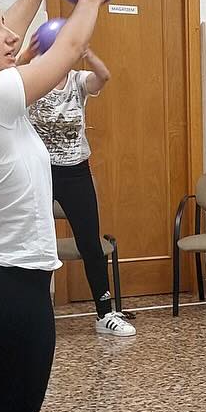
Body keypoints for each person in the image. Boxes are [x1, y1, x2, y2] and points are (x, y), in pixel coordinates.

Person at [0, 0, 117, 412]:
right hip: (8, 290)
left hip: (8, 282)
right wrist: (87, 2)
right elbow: (64, 52)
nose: (5, 31)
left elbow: (14, 33)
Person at [22, 41, 134, 335]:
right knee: (34, 244)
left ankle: (104, 314)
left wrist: (87, 53)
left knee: (90, 245)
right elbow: (7, 80)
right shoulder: (33, 78)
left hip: (76, 173)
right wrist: (28, 55)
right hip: (40, 172)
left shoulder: (77, 80)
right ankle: (30, 315)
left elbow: (104, 77)